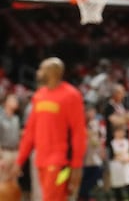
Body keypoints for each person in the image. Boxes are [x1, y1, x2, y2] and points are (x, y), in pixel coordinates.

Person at [11, 57, 87, 200]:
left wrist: (77, 164)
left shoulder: (71, 95)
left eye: (41, 69)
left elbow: (78, 132)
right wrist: (20, 160)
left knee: (53, 198)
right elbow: (30, 132)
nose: (38, 73)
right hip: (40, 159)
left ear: (53, 72)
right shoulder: (39, 95)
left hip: (61, 160)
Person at [79, 104, 106, 201]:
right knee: (84, 175)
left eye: (93, 112)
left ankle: (83, 194)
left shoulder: (95, 123)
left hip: (94, 153)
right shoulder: (80, 123)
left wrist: (101, 148)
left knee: (98, 172)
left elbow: (99, 137)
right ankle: (83, 196)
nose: (92, 114)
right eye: (90, 112)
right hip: (82, 154)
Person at [108, 127, 129, 201]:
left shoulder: (127, 141)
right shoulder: (112, 143)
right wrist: (120, 158)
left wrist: (128, 158)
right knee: (118, 185)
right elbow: (111, 155)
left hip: (127, 164)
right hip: (116, 166)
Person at [0, 94, 21, 182]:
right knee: (2, 183)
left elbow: (18, 137)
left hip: (15, 152)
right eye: (12, 99)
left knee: (14, 183)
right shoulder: (0, 118)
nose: (15, 102)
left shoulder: (16, 118)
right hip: (4, 152)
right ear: (5, 103)